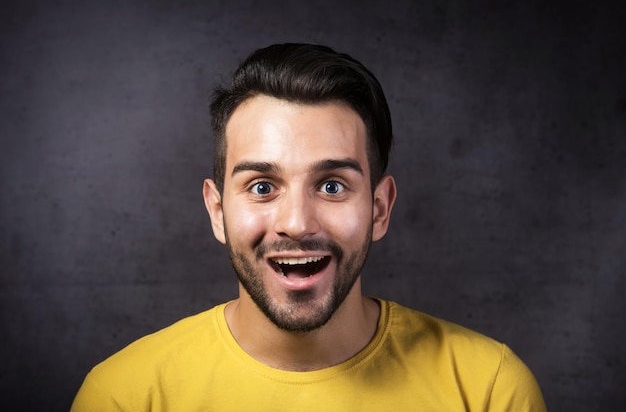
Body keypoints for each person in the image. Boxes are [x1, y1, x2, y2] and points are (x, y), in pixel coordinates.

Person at [71, 43, 546, 411]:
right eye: (261, 187)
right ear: (217, 211)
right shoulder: (124, 396)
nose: (296, 223)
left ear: (380, 208)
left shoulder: (488, 390)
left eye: (333, 186)